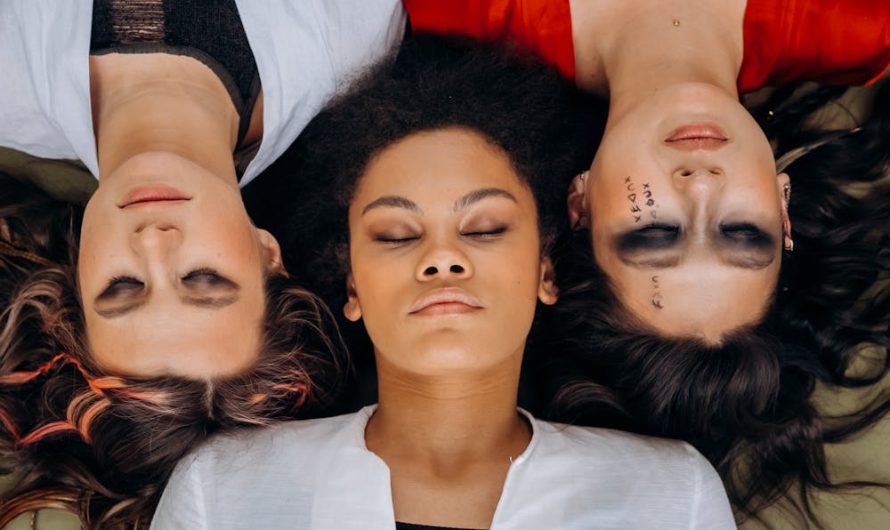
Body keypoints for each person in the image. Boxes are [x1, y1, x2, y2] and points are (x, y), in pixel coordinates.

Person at [151, 36, 736, 530]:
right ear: (351, 286)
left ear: (546, 271)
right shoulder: (221, 493)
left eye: (484, 228)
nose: (441, 258)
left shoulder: (673, 498)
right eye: (397, 235)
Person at [0, 0, 405, 526]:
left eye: (122, 287)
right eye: (203, 278)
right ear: (267, 254)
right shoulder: (355, 40)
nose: (153, 242)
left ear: (76, 282)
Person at [402, 0, 889, 341]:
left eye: (655, 231)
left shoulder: (461, 12)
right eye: (740, 230)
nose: (700, 184)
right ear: (783, 204)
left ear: (580, 203)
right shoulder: (864, 25)